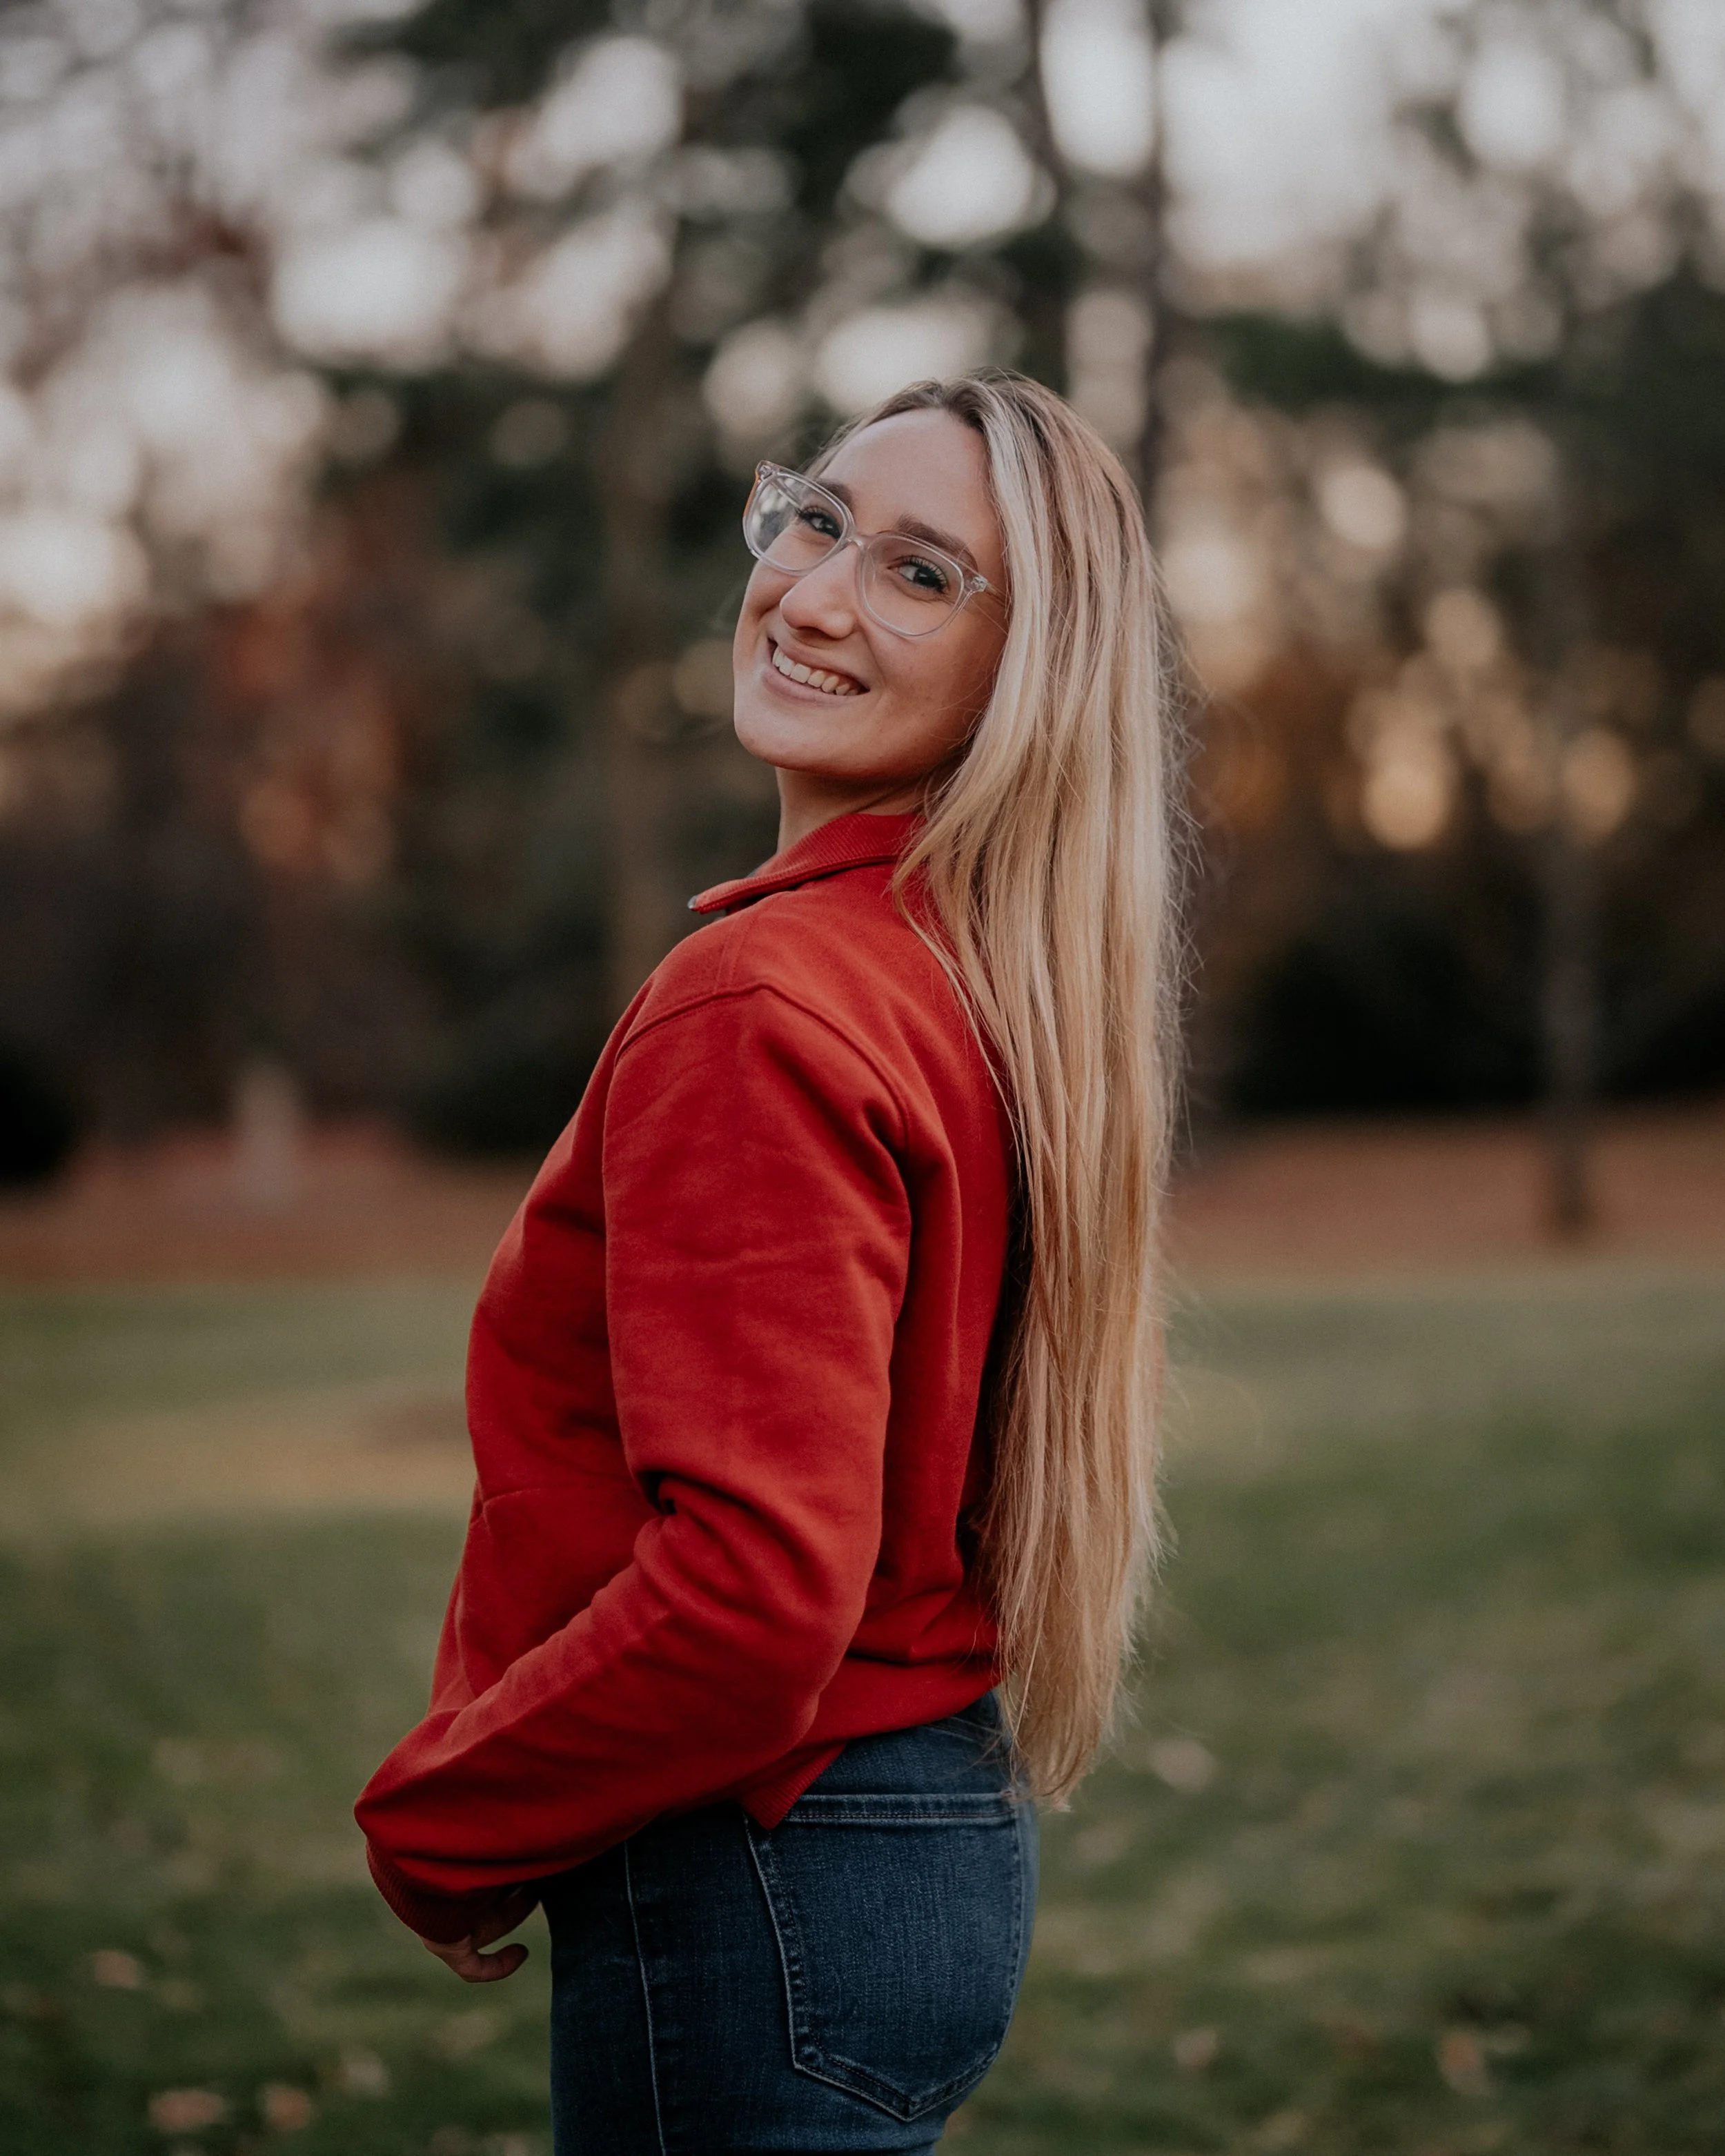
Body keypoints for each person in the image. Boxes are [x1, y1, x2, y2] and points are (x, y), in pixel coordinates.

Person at [355, 371, 1184, 2155]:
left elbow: (751, 1588)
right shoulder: (970, 977)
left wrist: (443, 1818)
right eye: (813, 517)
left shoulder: (766, 999)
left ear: (1021, 667)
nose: (810, 594)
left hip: (764, 1859)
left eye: (918, 573)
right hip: (915, 1840)